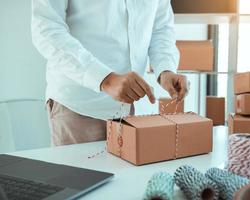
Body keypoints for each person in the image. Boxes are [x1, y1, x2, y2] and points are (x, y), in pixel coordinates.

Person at [31, 0, 188, 146]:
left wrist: (165, 69)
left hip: (138, 111)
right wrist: (104, 79)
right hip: (80, 107)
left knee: (134, 176)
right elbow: (46, 27)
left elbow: (160, 27)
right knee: (79, 176)